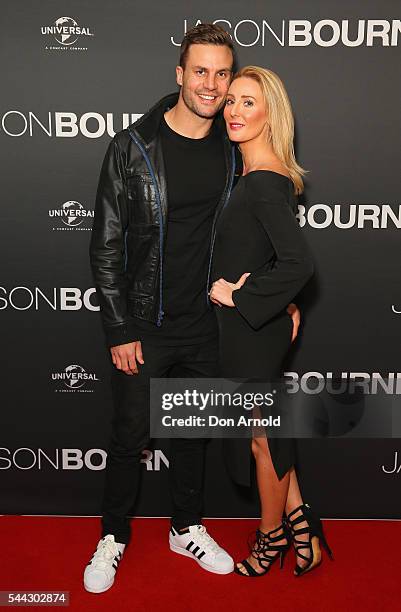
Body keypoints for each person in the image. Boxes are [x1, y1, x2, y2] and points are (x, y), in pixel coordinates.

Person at [85, 25, 301, 593]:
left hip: (208, 325)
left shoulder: (234, 148)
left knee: (190, 436)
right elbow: (106, 244)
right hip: (144, 325)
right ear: (180, 75)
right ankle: (112, 536)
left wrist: (283, 299)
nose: (211, 85)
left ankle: (186, 527)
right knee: (131, 435)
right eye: (200, 71)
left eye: (222, 73)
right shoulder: (132, 147)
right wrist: (118, 327)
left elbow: (262, 238)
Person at [210, 66, 333, 577]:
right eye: (231, 101)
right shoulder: (263, 175)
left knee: (261, 437)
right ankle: (302, 529)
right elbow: (269, 256)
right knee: (268, 432)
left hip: (251, 331)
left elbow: (299, 263)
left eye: (248, 103)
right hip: (259, 327)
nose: (234, 112)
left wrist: (242, 297)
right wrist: (275, 299)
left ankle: (270, 540)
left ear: (270, 115)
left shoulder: (262, 182)